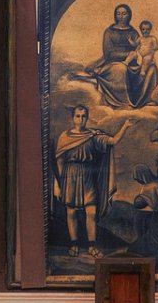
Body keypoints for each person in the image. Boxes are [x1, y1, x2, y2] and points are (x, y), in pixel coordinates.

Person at [51, 104, 124, 254]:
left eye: (84, 116)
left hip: (87, 176)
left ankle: (91, 245)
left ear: (87, 118)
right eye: (78, 116)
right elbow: (59, 161)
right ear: (73, 118)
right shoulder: (65, 137)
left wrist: (126, 126)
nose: (81, 119)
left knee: (91, 212)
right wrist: (58, 183)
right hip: (69, 175)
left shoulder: (93, 136)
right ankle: (74, 244)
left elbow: (113, 141)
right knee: (71, 213)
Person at [67, 4, 142, 108]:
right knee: (121, 69)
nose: (121, 17)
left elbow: (139, 47)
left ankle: (143, 100)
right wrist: (127, 54)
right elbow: (108, 53)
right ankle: (122, 103)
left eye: (124, 14)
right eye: (118, 14)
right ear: (115, 15)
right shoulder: (109, 32)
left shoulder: (134, 32)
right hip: (111, 62)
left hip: (132, 62)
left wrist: (136, 54)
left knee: (150, 69)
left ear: (129, 15)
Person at [124, 19, 158, 108]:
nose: (145, 31)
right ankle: (126, 62)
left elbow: (156, 47)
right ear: (141, 30)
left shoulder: (152, 38)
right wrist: (130, 41)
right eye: (143, 29)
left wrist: (152, 48)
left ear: (150, 30)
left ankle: (143, 71)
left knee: (147, 59)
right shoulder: (140, 38)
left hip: (148, 56)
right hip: (139, 56)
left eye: (147, 29)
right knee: (132, 53)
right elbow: (134, 45)